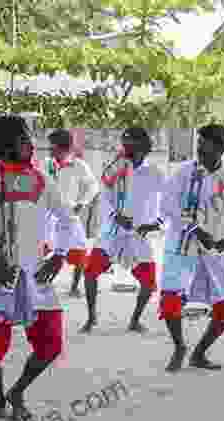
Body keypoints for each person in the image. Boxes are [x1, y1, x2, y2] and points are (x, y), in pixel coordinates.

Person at [0, 115, 76, 421]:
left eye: (29, 137)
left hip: (35, 275)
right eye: (23, 138)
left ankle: (17, 392)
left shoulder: (41, 181)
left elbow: (68, 219)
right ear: (4, 146)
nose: (30, 144)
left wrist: (59, 254)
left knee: (50, 345)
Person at [159, 124, 224, 372]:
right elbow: (167, 205)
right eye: (198, 147)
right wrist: (195, 229)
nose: (199, 153)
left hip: (212, 250)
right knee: (171, 299)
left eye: (205, 148)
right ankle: (179, 346)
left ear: (220, 149)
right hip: (182, 246)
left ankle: (199, 353)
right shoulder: (184, 172)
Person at [79, 127, 164, 333]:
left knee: (149, 282)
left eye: (130, 143)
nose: (125, 146)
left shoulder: (154, 172)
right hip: (112, 233)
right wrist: (115, 216)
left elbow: (168, 201)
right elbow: (105, 196)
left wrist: (156, 223)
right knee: (90, 273)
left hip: (137, 234)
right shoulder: (114, 167)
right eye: (123, 142)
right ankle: (91, 318)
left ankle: (135, 320)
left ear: (142, 146)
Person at [42, 129, 99, 298]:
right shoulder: (45, 164)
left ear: (63, 147)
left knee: (79, 251)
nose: (49, 150)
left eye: (52, 146)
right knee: (43, 250)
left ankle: (74, 287)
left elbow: (92, 186)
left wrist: (82, 203)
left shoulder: (79, 165)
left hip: (69, 214)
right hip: (47, 215)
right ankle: (42, 284)